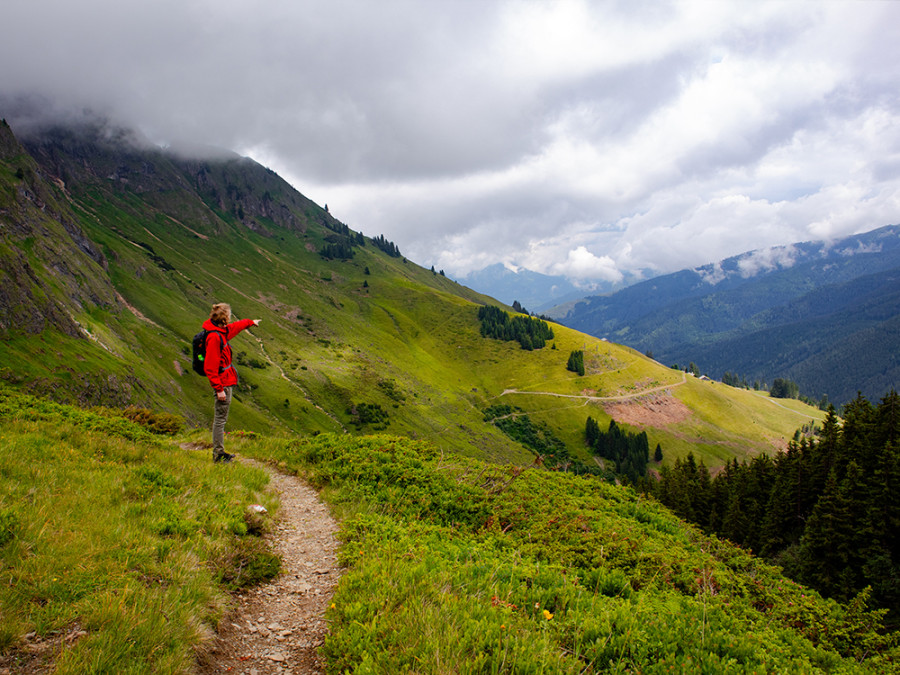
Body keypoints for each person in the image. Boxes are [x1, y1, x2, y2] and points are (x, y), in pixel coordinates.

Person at [202, 302, 261, 463]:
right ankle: (218, 454)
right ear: (225, 317)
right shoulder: (215, 337)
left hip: (226, 381)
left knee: (221, 418)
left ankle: (219, 452)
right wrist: (219, 389)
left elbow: (235, 327)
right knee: (220, 420)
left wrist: (250, 322)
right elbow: (210, 366)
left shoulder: (220, 331)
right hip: (223, 383)